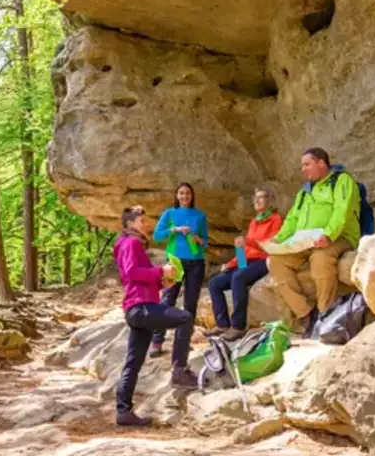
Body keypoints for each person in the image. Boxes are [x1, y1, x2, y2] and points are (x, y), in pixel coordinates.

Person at [113, 206, 198, 427]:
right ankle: (179, 370)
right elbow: (132, 273)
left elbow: (136, 277)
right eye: (142, 220)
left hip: (137, 308)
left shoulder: (126, 244)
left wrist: (161, 282)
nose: (145, 224)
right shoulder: (131, 243)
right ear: (131, 223)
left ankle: (123, 412)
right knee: (185, 318)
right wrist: (161, 271)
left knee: (134, 361)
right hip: (141, 308)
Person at [266, 147, 360, 337]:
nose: (303, 169)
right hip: (305, 242)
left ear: (321, 163)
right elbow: (292, 219)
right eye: (302, 166)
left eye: (307, 164)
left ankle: (326, 314)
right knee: (274, 260)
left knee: (321, 258)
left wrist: (329, 235)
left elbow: (342, 210)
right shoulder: (304, 192)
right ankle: (306, 314)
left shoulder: (342, 181)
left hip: (338, 237)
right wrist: (278, 240)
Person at [204, 187, 283, 341]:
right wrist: (231, 263)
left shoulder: (275, 219)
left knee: (238, 278)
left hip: (263, 260)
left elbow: (269, 245)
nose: (257, 201)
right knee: (215, 283)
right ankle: (222, 324)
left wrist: (247, 241)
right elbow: (245, 251)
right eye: (255, 198)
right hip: (247, 262)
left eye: (262, 197)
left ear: (270, 201)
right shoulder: (254, 222)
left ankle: (238, 326)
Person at [150, 182, 208, 358]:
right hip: (174, 261)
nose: (184, 196)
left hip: (196, 262)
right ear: (176, 196)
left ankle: (183, 343)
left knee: (190, 304)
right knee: (168, 300)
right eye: (181, 193)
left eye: (188, 193)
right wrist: (174, 229)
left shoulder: (200, 216)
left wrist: (199, 240)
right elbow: (157, 235)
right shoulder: (170, 213)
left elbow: (205, 241)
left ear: (192, 196)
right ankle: (157, 341)